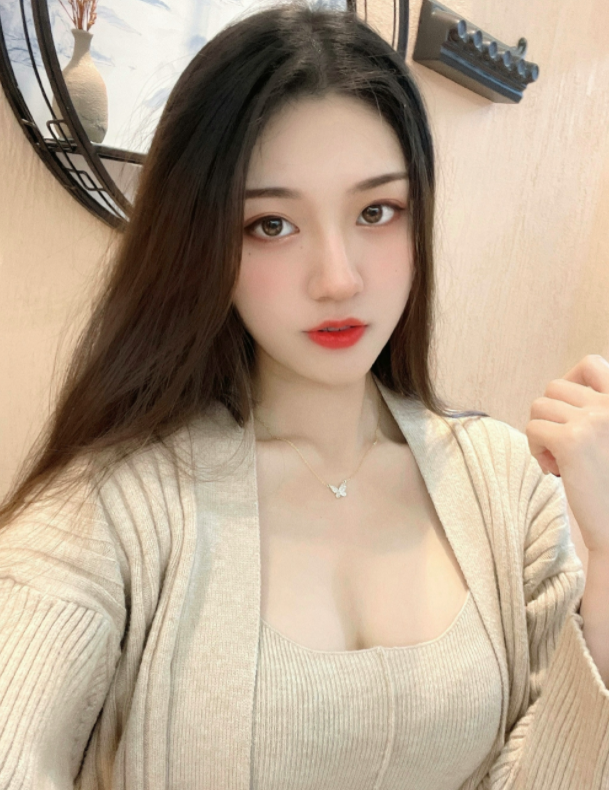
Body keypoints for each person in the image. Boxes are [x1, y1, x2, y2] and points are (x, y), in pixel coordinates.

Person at [0, 1, 608, 788]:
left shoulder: (508, 485)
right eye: (270, 225)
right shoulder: (109, 513)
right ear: (200, 240)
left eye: (376, 212)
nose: (337, 279)